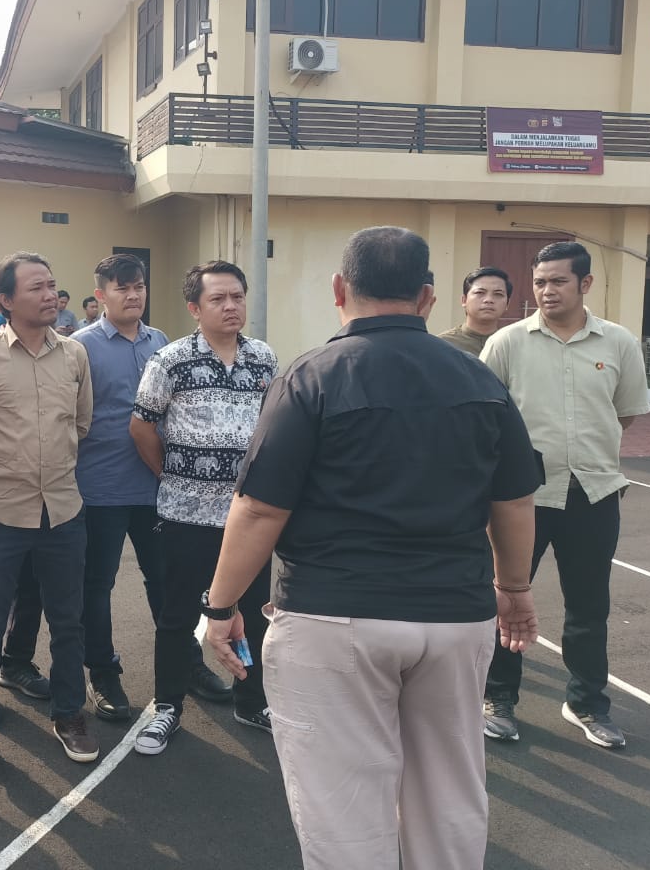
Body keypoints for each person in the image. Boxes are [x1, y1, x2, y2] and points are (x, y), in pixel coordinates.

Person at [202, 225, 541, 870]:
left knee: (343, 806)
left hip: (333, 615)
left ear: (339, 289)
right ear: (428, 297)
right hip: (454, 615)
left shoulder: (312, 376)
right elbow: (515, 500)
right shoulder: (478, 379)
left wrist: (221, 608)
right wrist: (514, 589)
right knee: (449, 793)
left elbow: (260, 507)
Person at [481, 241, 649, 749]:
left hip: (594, 495)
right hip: (520, 500)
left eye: (558, 281)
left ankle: (586, 703)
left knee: (589, 607)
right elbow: (484, 417)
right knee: (504, 599)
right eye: (539, 282)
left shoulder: (618, 343)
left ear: (585, 284)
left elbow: (625, 413)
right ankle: (498, 698)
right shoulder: (507, 343)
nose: (546, 291)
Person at [0, 251, 98, 778]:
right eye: (36, 288)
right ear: (5, 300)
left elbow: (81, 423)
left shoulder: (74, 355)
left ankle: (69, 715)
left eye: (52, 285)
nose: (50, 295)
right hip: (0, 515)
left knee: (68, 622)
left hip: (64, 512)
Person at [129, 260, 277, 755]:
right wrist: (171, 475)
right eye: (218, 299)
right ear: (195, 308)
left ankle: (250, 699)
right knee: (176, 616)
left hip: (248, 517)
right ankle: (167, 707)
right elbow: (142, 426)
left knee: (253, 613)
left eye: (237, 296)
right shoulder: (170, 360)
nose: (231, 306)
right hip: (186, 515)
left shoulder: (263, 359)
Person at [74, 253, 229, 722]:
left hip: (155, 488)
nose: (133, 295)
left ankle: (186, 664)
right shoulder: (80, 348)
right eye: (121, 288)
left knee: (167, 582)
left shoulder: (160, 342)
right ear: (101, 295)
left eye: (138, 286)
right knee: (96, 587)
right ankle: (103, 673)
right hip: (100, 488)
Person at [438, 267, 512, 355]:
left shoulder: (511, 343)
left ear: (507, 304)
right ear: (464, 300)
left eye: (498, 294)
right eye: (480, 293)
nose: (488, 300)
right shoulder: (442, 344)